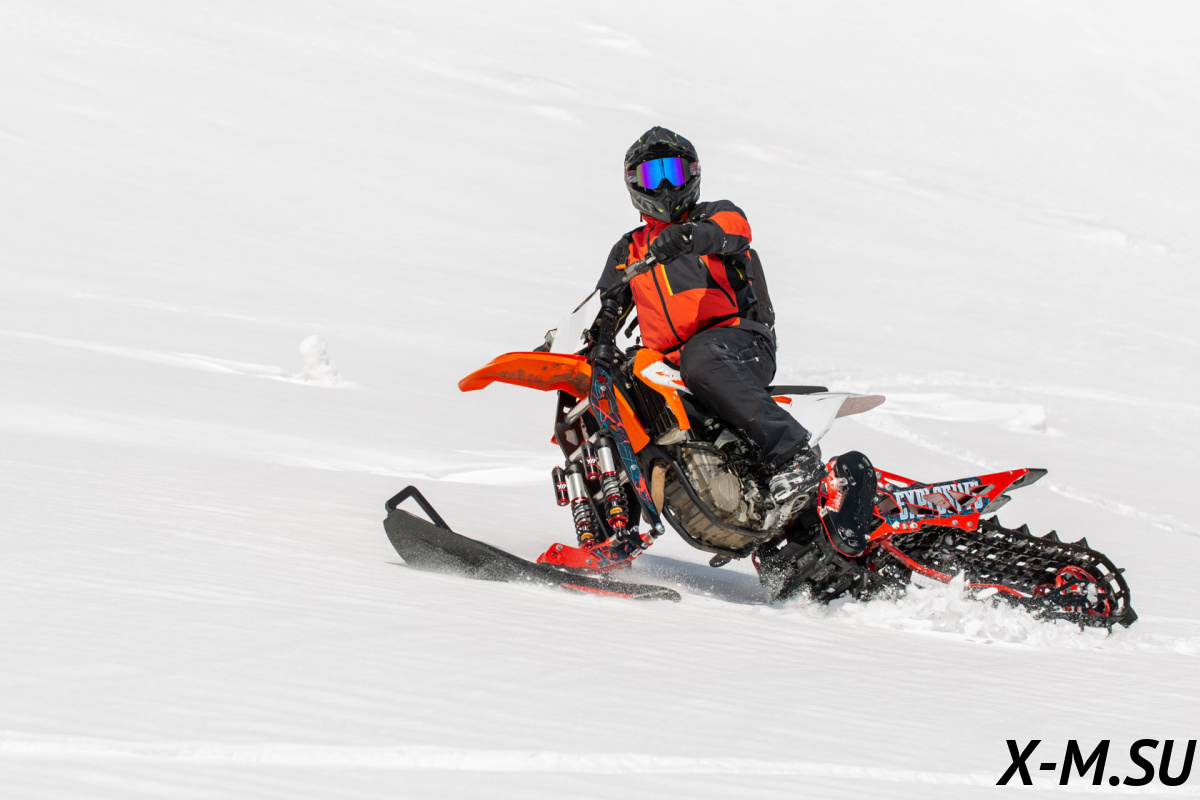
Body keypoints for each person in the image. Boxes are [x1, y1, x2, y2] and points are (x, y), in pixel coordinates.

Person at [594, 126, 828, 540]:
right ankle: (611, 528)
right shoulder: (628, 250)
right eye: (652, 176)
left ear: (693, 173)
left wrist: (689, 237)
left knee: (700, 355)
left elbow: (732, 231)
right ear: (634, 183)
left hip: (739, 343)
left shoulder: (715, 216)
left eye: (672, 173)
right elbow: (607, 305)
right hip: (676, 367)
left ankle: (793, 455)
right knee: (621, 390)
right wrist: (586, 340)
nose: (665, 186)